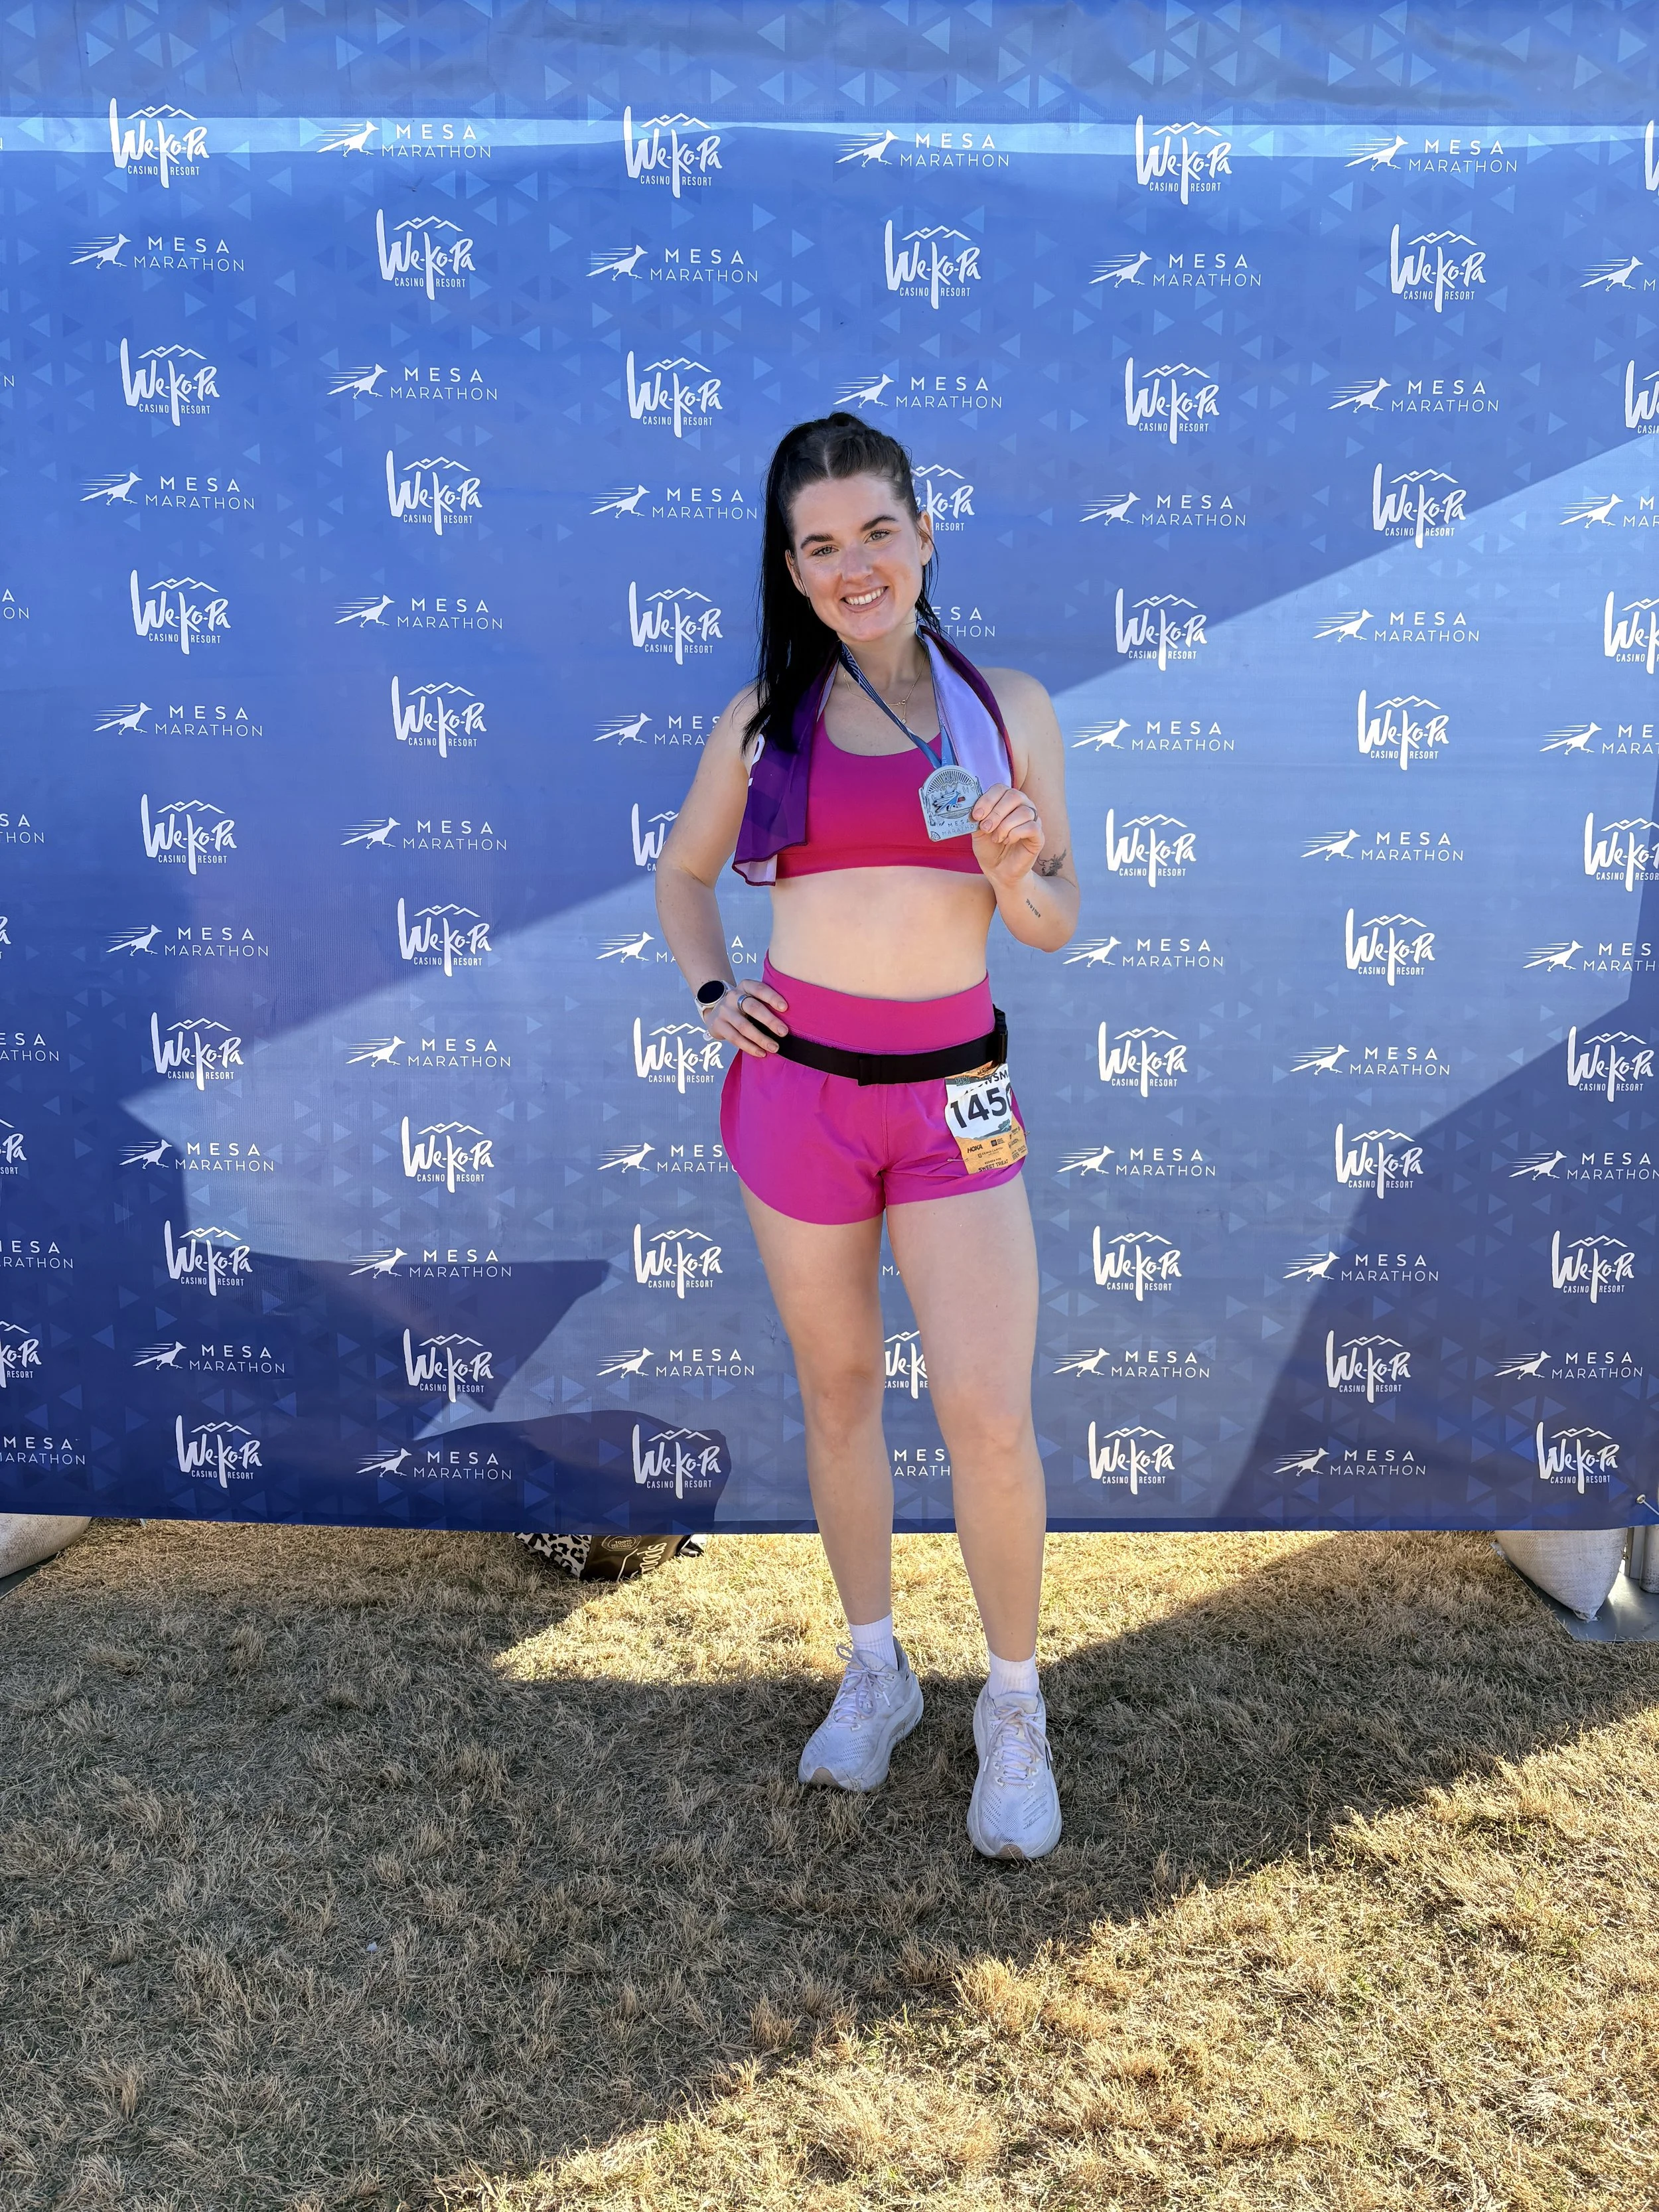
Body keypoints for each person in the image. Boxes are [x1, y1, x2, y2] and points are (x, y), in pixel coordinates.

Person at [654, 414, 1078, 1860]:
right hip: (800, 1101)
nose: (854, 565)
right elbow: (684, 871)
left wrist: (1018, 872)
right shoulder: (763, 718)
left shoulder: (1003, 706)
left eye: (875, 532)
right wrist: (715, 985)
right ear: (790, 566)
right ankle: (876, 1666)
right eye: (819, 545)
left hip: (954, 1093)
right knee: (839, 1391)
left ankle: (1009, 1707)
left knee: (986, 1411)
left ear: (923, 533)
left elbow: (1052, 922)